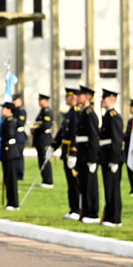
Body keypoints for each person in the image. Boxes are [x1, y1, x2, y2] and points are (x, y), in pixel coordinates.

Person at [73, 85, 100, 223]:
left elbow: (94, 138)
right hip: (82, 154)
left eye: (80, 95)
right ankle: (86, 211)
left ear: (87, 97)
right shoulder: (83, 112)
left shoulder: (90, 114)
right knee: (84, 185)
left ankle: (92, 213)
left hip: (88, 155)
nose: (78, 97)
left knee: (90, 186)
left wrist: (93, 159)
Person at [53, 87, 81, 219]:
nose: (66, 99)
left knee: (76, 183)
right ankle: (73, 208)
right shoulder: (69, 113)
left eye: (68, 96)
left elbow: (75, 135)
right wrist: (53, 146)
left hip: (72, 153)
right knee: (70, 183)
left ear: (74, 97)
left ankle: (78, 209)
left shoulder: (77, 113)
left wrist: (74, 153)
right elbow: (62, 132)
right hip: (66, 152)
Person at [98, 90, 123, 227]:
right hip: (105, 156)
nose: (103, 100)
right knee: (108, 188)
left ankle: (115, 218)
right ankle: (109, 216)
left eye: (105, 98)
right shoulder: (107, 115)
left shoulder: (114, 116)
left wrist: (114, 160)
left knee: (113, 188)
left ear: (112, 99)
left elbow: (116, 140)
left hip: (111, 158)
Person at [0, 101, 22, 210]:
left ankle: (14, 203)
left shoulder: (11, 121)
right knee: (8, 179)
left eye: (3, 108)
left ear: (9, 110)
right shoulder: (5, 121)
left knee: (12, 179)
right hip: (6, 152)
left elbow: (10, 134)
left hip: (11, 152)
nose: (1, 110)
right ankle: (10, 202)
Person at [30, 93, 54, 188]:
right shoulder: (42, 111)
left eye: (41, 100)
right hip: (40, 138)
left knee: (45, 159)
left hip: (45, 138)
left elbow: (45, 125)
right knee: (41, 159)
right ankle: (44, 179)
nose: (39, 102)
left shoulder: (47, 111)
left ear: (46, 101)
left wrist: (36, 129)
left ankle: (49, 181)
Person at [124, 99, 133, 196]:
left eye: (132, 106)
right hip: (128, 148)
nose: (130, 108)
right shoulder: (131, 120)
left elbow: (132, 135)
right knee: (129, 170)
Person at [12, 93, 28, 180]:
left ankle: (19, 174)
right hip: (14, 135)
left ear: (20, 101)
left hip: (19, 136)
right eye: (13, 100)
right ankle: (15, 173)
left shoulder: (21, 111)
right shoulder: (13, 110)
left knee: (19, 156)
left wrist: (12, 121)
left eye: (16, 100)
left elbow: (20, 123)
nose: (14, 102)